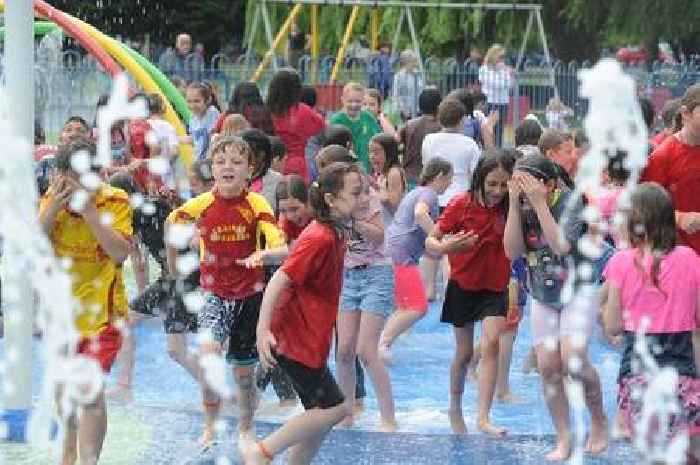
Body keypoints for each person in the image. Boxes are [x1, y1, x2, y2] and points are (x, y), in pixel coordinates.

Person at [165, 135, 287, 446]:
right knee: (208, 361)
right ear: (212, 170)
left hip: (249, 295)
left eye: (235, 162)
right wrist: (173, 265)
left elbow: (279, 244)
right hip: (214, 295)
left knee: (244, 376)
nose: (227, 167)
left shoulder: (255, 204)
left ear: (250, 170)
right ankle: (210, 425)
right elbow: (172, 223)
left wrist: (267, 254)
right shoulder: (202, 203)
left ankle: (246, 427)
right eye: (220, 162)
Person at [243, 162, 363, 465]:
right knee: (337, 409)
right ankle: (262, 452)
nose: (362, 198)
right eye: (356, 193)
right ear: (332, 199)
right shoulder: (321, 236)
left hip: (306, 336)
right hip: (293, 339)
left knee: (319, 415)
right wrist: (262, 330)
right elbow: (279, 281)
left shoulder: (333, 231)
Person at [503, 154, 607, 460]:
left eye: (528, 184)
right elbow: (513, 251)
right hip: (543, 295)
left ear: (548, 184)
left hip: (578, 291)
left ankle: (598, 420)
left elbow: (561, 246)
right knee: (548, 366)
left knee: (573, 360)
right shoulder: (520, 208)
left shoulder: (572, 202)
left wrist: (538, 204)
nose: (521, 191)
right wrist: (513, 205)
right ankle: (564, 436)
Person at [39, 138, 132, 465]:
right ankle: (68, 450)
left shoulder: (114, 200)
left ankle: (88, 461)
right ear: (61, 174)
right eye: (72, 175)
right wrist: (52, 208)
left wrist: (90, 210)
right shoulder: (52, 202)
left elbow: (120, 252)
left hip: (102, 316)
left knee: (90, 392)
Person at [602, 183, 700, 461]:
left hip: (638, 376)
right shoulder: (690, 259)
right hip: (681, 374)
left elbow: (611, 326)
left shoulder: (620, 262)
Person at [426, 150, 514, 436]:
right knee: (464, 353)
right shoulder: (461, 204)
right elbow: (432, 239)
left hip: (495, 286)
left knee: (491, 343)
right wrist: (444, 249)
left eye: (503, 184)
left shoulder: (511, 207)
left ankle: (483, 417)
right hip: (464, 285)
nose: (497, 191)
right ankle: (455, 406)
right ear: (479, 179)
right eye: (491, 184)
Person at [336, 148, 397, 432]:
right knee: (344, 351)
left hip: (377, 274)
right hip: (349, 277)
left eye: (362, 190)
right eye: (354, 192)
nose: (361, 196)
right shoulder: (334, 208)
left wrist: (353, 220)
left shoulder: (369, 203)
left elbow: (378, 236)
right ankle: (346, 414)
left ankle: (388, 418)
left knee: (366, 350)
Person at [378, 157, 453, 362]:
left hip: (392, 249)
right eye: (449, 178)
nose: (451, 183)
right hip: (400, 254)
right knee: (417, 307)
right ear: (439, 176)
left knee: (404, 306)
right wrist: (440, 240)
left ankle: (381, 342)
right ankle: (381, 344)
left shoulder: (415, 192)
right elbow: (420, 215)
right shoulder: (428, 194)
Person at [421, 98, 482, 300]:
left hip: (433, 197)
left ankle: (429, 289)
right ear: (462, 120)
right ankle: (450, 288)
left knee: (432, 243)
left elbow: (427, 165)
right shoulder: (470, 144)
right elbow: (477, 175)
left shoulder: (429, 140)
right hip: (458, 200)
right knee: (452, 248)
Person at [642, 84, 700, 259]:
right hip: (679, 255)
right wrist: (680, 218)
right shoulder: (663, 155)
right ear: (685, 113)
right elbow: (646, 209)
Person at [268, 68, 325, 182]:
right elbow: (322, 127)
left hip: (273, 162)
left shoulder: (266, 112)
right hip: (298, 163)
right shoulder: (304, 111)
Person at [329, 81, 382, 174]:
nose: (354, 105)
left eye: (358, 101)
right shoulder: (336, 121)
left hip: (367, 170)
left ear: (363, 101)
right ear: (342, 100)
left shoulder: (368, 118)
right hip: (344, 171)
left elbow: (379, 140)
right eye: (350, 101)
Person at [399, 88, 442, 188]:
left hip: (408, 177)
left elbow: (396, 142)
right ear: (439, 106)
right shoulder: (441, 128)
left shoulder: (409, 125)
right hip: (429, 179)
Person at [479, 44, 513, 147]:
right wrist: (500, 73)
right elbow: (493, 83)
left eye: (503, 57)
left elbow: (510, 84)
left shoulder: (504, 69)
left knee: (500, 130)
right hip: (490, 101)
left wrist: (504, 73)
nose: (502, 60)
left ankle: (498, 149)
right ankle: (487, 149)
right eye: (500, 57)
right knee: (489, 128)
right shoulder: (484, 69)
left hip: (503, 102)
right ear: (494, 56)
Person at [241, 129, 282, 209]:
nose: (241, 158)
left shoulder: (277, 181)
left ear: (261, 155)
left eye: (246, 155)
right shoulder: (233, 179)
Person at [369, 133, 405, 214]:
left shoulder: (394, 173)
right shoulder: (381, 174)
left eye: (376, 152)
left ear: (389, 153)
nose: (371, 156)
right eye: (370, 152)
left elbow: (394, 202)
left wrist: (373, 189)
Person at [184, 82, 221, 161]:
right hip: (198, 161)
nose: (192, 106)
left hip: (211, 161)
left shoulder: (212, 113)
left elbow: (214, 138)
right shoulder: (193, 119)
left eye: (197, 101)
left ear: (208, 100)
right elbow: (194, 138)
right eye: (189, 101)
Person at [392, 50, 423, 121]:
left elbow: (421, 89)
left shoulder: (417, 74)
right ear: (406, 62)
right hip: (406, 111)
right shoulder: (399, 76)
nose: (415, 64)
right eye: (413, 62)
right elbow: (397, 95)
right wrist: (403, 109)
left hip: (418, 109)